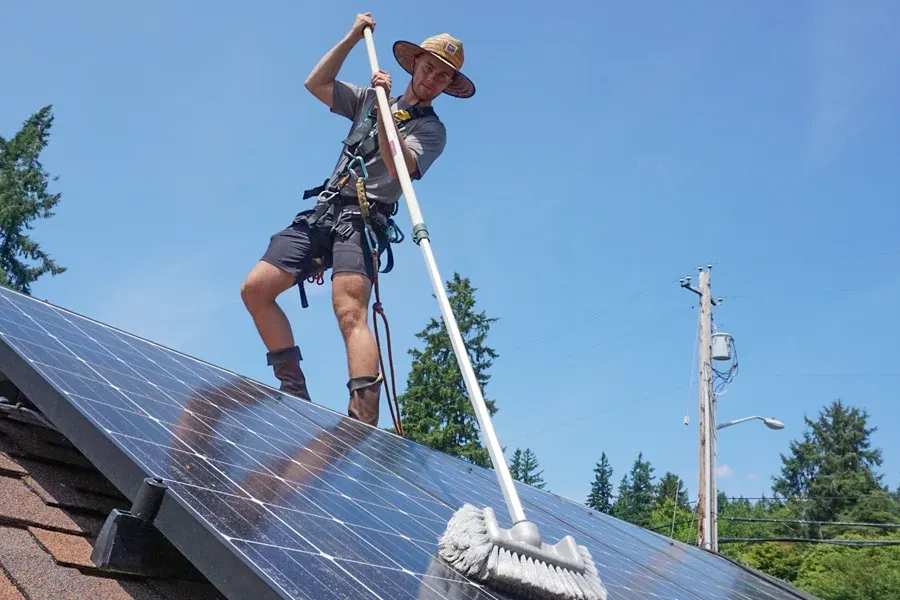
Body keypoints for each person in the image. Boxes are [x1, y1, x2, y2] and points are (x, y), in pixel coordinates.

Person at [240, 12, 475, 427]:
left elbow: (396, 161)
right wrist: (351, 37)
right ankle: (293, 387)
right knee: (255, 289)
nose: (433, 77)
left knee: (349, 311)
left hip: (365, 218)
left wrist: (386, 109)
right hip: (326, 208)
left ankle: (361, 421)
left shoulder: (433, 131)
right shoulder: (369, 97)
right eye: (430, 66)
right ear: (416, 63)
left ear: (447, 87)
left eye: (443, 76)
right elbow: (316, 84)